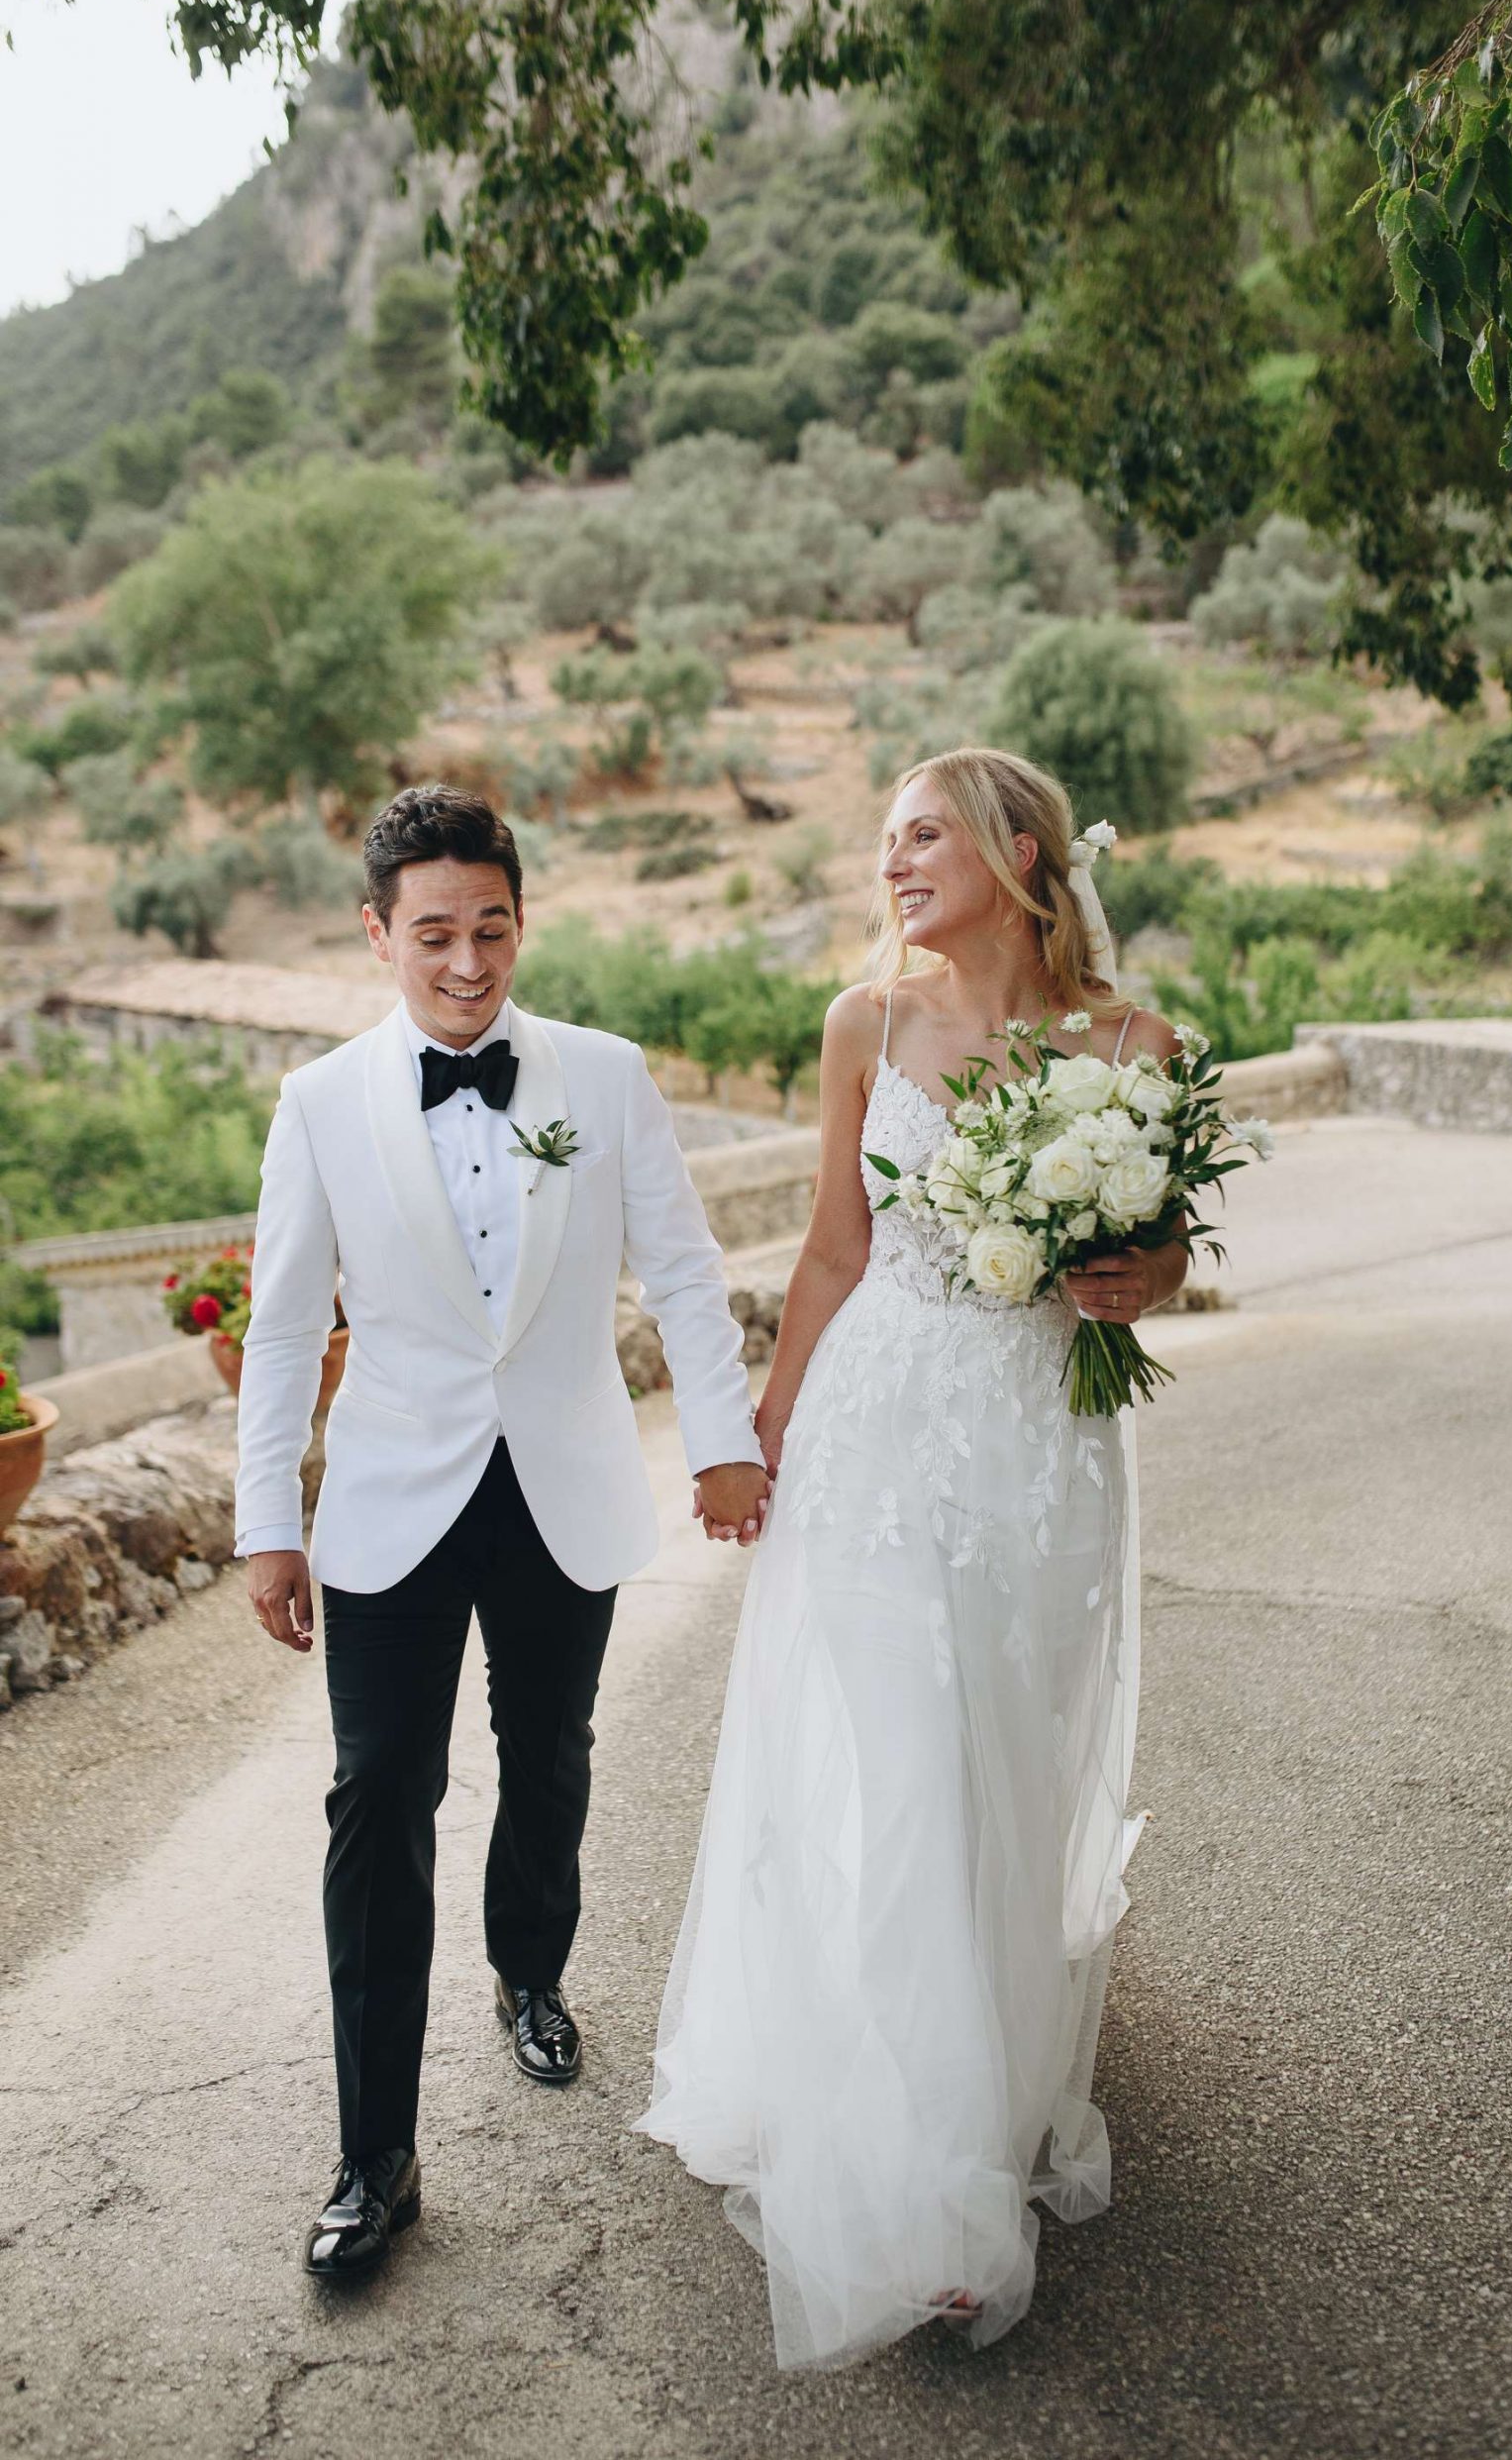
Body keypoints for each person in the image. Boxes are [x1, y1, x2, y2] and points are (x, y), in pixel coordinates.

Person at [638, 747, 1188, 2369]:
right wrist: (757, 1437)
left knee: (1004, 1765)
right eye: (883, 842)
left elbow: (1156, 1253)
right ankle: (931, 2187)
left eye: (921, 833)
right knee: (906, 1773)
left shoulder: (1133, 1046)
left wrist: (1139, 1273)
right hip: (875, 1440)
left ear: (1019, 850)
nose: (892, 864)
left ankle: (994, 2064)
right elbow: (828, 1248)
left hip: (1039, 1447)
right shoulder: (860, 1025)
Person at [236, 784, 769, 2279]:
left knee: (549, 1757)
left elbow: (680, 1268)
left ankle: (528, 1973)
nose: (466, 964)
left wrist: (722, 1445)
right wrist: (264, 1522)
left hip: (560, 1482)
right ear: (376, 933)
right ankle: (374, 2155)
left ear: (521, 918)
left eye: (491, 928)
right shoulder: (321, 1100)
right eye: (432, 936)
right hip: (392, 1501)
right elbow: (281, 1334)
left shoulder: (603, 1076)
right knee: (375, 1800)